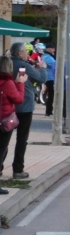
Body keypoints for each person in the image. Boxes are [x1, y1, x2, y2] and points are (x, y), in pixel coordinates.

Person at [4, 43, 45, 179]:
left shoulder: (6, 64)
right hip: (24, 107)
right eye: (25, 52)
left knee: (4, 139)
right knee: (22, 139)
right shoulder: (24, 66)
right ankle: (18, 169)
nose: (27, 54)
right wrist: (42, 68)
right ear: (21, 53)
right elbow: (41, 78)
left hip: (7, 107)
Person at [0, 57, 26, 189]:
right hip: (4, 121)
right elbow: (18, 99)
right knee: (1, 150)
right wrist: (20, 83)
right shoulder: (8, 83)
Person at [43, 43, 56, 117]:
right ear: (48, 49)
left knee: (51, 95)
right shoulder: (47, 57)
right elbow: (54, 64)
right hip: (50, 78)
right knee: (51, 95)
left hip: (51, 77)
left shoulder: (49, 56)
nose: (53, 50)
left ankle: (49, 111)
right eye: (52, 48)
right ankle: (49, 111)